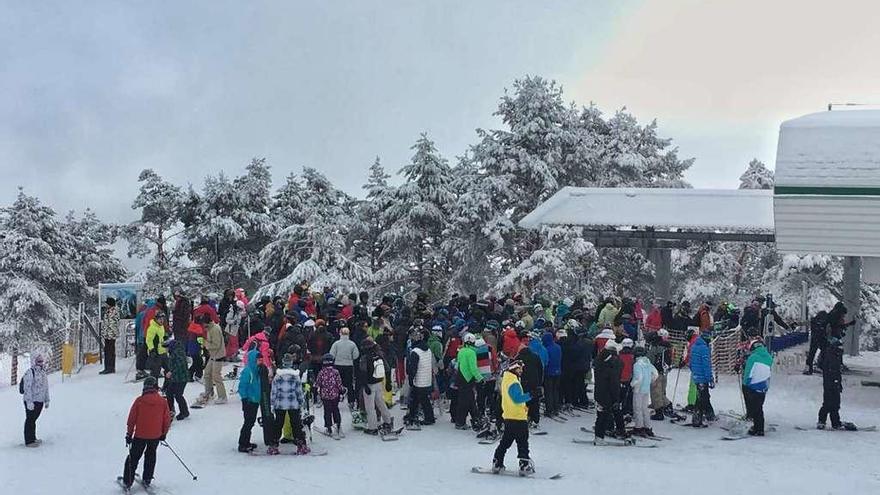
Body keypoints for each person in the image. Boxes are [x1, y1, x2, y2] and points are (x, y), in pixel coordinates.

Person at [122, 377, 171, 490]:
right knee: (151, 455)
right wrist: (164, 433)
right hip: (155, 436)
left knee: (133, 457)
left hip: (140, 435)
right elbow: (167, 419)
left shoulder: (139, 401)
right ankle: (147, 478)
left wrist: (129, 435)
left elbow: (131, 419)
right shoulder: (162, 402)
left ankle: (127, 481)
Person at [492, 360, 534, 476]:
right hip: (518, 417)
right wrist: (531, 395)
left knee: (506, 441)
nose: (521, 371)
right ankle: (524, 464)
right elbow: (517, 398)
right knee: (522, 442)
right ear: (514, 369)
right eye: (519, 369)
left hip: (509, 416)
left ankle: (497, 461)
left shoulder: (507, 379)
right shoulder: (513, 382)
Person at [269, 353, 309, 455]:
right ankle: (301, 445)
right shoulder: (295, 377)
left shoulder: (277, 377)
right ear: (291, 363)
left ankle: (273, 445)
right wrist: (301, 402)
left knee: (278, 424)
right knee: (296, 424)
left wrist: (272, 403)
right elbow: (298, 391)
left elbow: (274, 391)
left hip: (280, 404)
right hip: (293, 404)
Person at [593, 339, 625, 444]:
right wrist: (616, 398)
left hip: (599, 392)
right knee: (606, 415)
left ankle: (599, 435)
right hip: (609, 394)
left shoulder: (599, 361)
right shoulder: (613, 366)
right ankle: (602, 436)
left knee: (601, 414)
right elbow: (614, 383)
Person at [359, 338, 393, 435]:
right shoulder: (379, 355)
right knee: (381, 403)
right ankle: (388, 421)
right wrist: (388, 383)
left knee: (370, 407)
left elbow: (363, 372)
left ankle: (372, 427)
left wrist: (365, 386)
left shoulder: (365, 358)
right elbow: (387, 369)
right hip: (379, 382)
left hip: (369, 384)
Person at [405, 329, 436, 427]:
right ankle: (412, 415)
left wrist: (410, 379)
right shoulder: (428, 350)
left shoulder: (415, 352)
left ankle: (429, 418)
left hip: (419, 379)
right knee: (416, 398)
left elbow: (413, 368)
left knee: (422, 400)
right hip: (427, 378)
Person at [742, 339, 773, 436]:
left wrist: (745, 383)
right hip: (763, 386)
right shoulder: (769, 357)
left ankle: (758, 428)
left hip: (753, 386)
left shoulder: (753, 357)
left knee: (755, 408)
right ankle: (759, 426)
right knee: (759, 407)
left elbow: (748, 372)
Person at [455, 332, 484, 430]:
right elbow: (473, 368)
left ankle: (476, 418)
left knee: (469, 400)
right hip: (468, 378)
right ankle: (460, 422)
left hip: (460, 376)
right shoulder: (472, 353)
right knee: (466, 401)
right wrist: (480, 378)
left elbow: (458, 363)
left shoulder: (461, 351)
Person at [818, 336, 847, 430]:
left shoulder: (834, 355)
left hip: (832, 383)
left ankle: (832, 422)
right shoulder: (831, 356)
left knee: (832, 403)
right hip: (831, 384)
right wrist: (835, 383)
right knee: (830, 403)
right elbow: (832, 371)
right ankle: (830, 422)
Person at [199, 313, 228, 406]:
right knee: (207, 373)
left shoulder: (215, 329)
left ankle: (222, 396)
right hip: (213, 355)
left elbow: (216, 345)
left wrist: (205, 344)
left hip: (218, 355)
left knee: (216, 376)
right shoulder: (210, 328)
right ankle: (209, 392)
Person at [315, 353, 346, 438]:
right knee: (335, 409)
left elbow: (318, 383)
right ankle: (338, 426)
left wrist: (315, 388)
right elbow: (339, 383)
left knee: (327, 411)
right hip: (335, 394)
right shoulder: (336, 372)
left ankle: (329, 428)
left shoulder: (321, 372)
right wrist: (342, 390)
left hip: (325, 395)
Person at [21, 354, 50, 447]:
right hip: (31, 401)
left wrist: (47, 400)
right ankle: (29, 441)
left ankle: (33, 438)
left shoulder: (43, 373)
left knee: (33, 420)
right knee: (30, 419)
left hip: (40, 401)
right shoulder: (30, 372)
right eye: (38, 361)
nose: (41, 363)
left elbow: (46, 387)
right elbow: (27, 388)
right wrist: (29, 402)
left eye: (42, 361)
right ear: (34, 361)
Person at [689, 330, 715, 427]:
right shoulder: (704, 348)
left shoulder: (694, 346)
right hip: (702, 377)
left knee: (704, 396)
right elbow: (706, 365)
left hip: (696, 376)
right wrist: (710, 378)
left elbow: (691, 363)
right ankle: (696, 420)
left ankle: (709, 414)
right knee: (701, 399)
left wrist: (694, 372)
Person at [631, 345, 658, 437]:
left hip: (638, 389)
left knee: (637, 408)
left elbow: (639, 378)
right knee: (645, 408)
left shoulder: (637, 364)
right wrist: (650, 381)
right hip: (646, 389)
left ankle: (638, 427)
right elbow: (655, 374)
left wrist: (632, 384)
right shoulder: (648, 363)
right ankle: (648, 427)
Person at [647, 329, 674, 420]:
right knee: (661, 391)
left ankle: (659, 412)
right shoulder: (667, 346)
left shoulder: (656, 347)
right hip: (664, 371)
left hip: (656, 372)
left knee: (655, 392)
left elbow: (649, 359)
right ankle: (667, 405)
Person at [164, 338, 189, 420]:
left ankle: (184, 412)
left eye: (166, 348)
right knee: (169, 393)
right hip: (175, 378)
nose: (165, 350)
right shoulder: (174, 352)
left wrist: (171, 372)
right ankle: (170, 410)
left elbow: (180, 365)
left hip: (181, 378)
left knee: (178, 395)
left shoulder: (178, 353)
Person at [541, 330, 562, 418]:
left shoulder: (546, 349)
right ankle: (556, 407)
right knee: (555, 390)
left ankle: (549, 409)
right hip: (558, 371)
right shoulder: (558, 347)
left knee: (548, 391)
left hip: (548, 372)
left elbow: (546, 361)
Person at [145, 311, 169, 379]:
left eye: (162, 319)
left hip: (163, 351)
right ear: (156, 319)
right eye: (160, 319)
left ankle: (167, 386)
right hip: (156, 352)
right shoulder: (152, 328)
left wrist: (165, 339)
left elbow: (161, 337)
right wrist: (152, 349)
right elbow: (148, 340)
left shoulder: (161, 327)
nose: (161, 321)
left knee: (169, 369)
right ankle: (154, 386)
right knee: (155, 371)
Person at [804, 310, 829, 375]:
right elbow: (826, 331)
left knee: (811, 353)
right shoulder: (825, 321)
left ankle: (808, 368)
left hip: (814, 338)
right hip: (822, 339)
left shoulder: (814, 321)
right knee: (824, 352)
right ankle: (821, 366)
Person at [101, 297, 120, 374]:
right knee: (107, 351)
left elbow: (112, 322)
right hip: (107, 334)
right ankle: (107, 367)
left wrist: (110, 331)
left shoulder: (114, 311)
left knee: (110, 351)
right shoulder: (108, 311)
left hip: (111, 334)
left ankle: (111, 367)